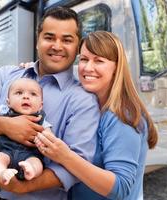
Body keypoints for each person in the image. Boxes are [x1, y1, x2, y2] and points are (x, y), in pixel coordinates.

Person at [0, 6, 100, 200]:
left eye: (67, 40)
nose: (57, 46)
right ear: (38, 41)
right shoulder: (5, 75)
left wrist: (21, 187)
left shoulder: (83, 100)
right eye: (49, 37)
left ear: (77, 47)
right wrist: (5, 125)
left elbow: (78, 165)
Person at [34, 31, 158, 200]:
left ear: (116, 68)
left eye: (99, 60)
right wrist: (32, 68)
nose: (87, 68)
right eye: (84, 59)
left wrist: (65, 156)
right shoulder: (90, 105)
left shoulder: (121, 116)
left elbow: (120, 187)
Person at [0, 78, 51, 185]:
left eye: (33, 94)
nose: (26, 97)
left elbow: (49, 137)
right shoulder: (4, 110)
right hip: (6, 152)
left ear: (40, 105)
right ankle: (2, 173)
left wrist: (45, 140)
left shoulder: (41, 120)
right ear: (8, 102)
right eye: (19, 93)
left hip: (30, 155)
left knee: (37, 163)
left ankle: (31, 170)